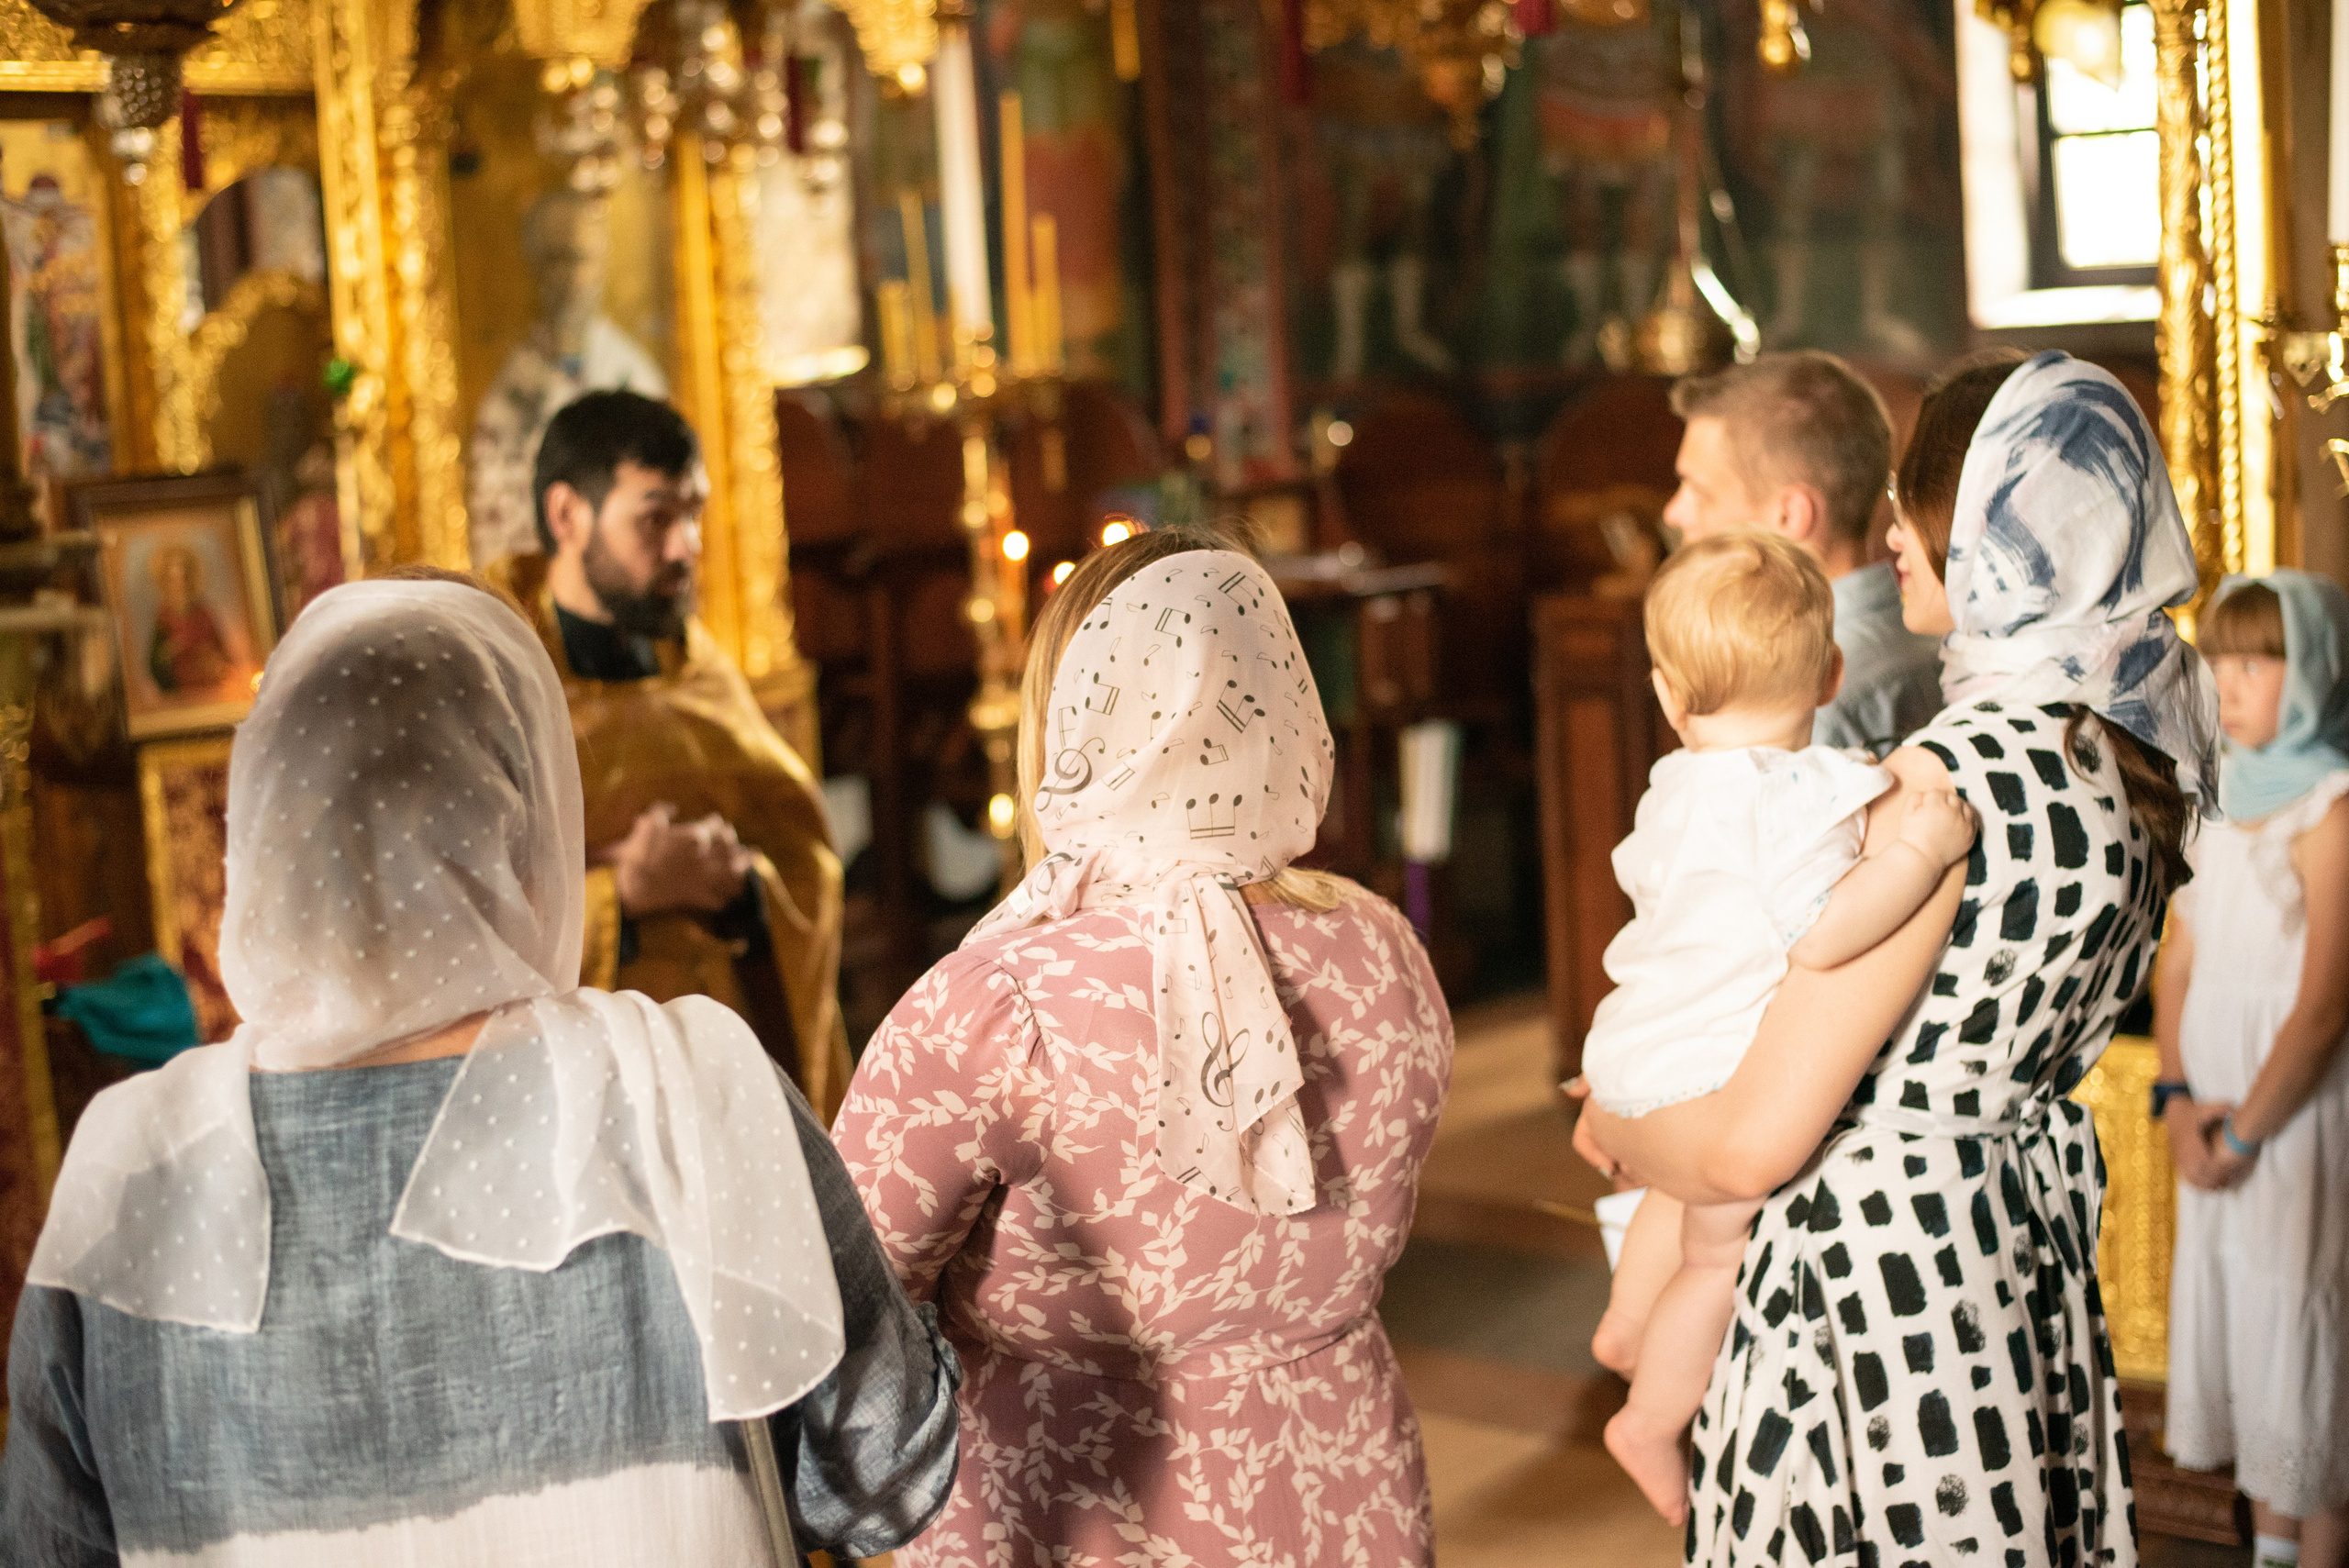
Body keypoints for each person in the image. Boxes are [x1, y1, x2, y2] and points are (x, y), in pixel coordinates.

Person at [0, 573, 958, 1566]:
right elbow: (883, 1475)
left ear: (270, 835)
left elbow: (48, 1547)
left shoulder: (132, 1164)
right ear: (526, 830)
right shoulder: (681, 1080)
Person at [1575, 349, 2217, 1562]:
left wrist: (1625, 1110)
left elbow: (1753, 1136)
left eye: (1926, 511)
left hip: (1877, 1269)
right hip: (2010, 1238)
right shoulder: (2126, 756)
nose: (1897, 540)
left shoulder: (1941, 780)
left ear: (2002, 529)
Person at [832, 530, 1454, 1565]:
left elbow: (842, 1292)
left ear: (1079, 722)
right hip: (1343, 1501)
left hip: (1079, 1509)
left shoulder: (1001, 1001)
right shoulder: (1383, 944)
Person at [1585, 530, 1978, 1521]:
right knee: (1715, 1254)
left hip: (1629, 1049)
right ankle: (1646, 1416)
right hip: (1704, 1072)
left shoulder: (1673, 785)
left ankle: (1626, 1321)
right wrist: (1920, 850)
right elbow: (1823, 935)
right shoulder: (1800, 796)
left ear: (1670, 698)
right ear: (1833, 671)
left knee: (1671, 1197)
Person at [492, 389, 852, 1120]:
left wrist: (745, 882)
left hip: (727, 1084)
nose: (686, 545)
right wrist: (619, 895)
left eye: (693, 515)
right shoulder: (499, 679)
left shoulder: (697, 671)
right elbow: (459, 899)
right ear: (567, 516)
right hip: (587, 1104)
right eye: (655, 518)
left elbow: (804, 856)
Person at [2157, 571, 2349, 1568]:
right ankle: (2270, 1544)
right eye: (2218, 660)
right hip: (2216, 1114)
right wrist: (2180, 1103)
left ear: (2310, 669)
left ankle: (2313, 1540)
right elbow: (2178, 960)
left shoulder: (2331, 806)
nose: (2226, 681)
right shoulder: (2219, 794)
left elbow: (2323, 1004)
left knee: (2302, 1324)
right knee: (2250, 1331)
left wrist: (2240, 1130)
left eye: (2254, 662)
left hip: (2293, 1115)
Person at [1663, 350, 1942, 758]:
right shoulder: (1932, 642)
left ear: (1789, 515)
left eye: (1699, 491)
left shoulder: (1793, 704)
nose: (1674, 512)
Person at [468, 190, 670, 566]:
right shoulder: (513, 387)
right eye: (557, 260)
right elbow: (495, 511)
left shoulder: (632, 374)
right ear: (536, 268)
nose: (573, 277)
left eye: (583, 260)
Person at [146, 541, 235, 694]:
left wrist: (213, 660)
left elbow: (224, 657)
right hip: (180, 692)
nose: (178, 587)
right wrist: (169, 651)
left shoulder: (205, 614)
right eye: (172, 581)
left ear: (190, 579)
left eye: (182, 580)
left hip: (208, 689)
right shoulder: (164, 617)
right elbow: (155, 664)